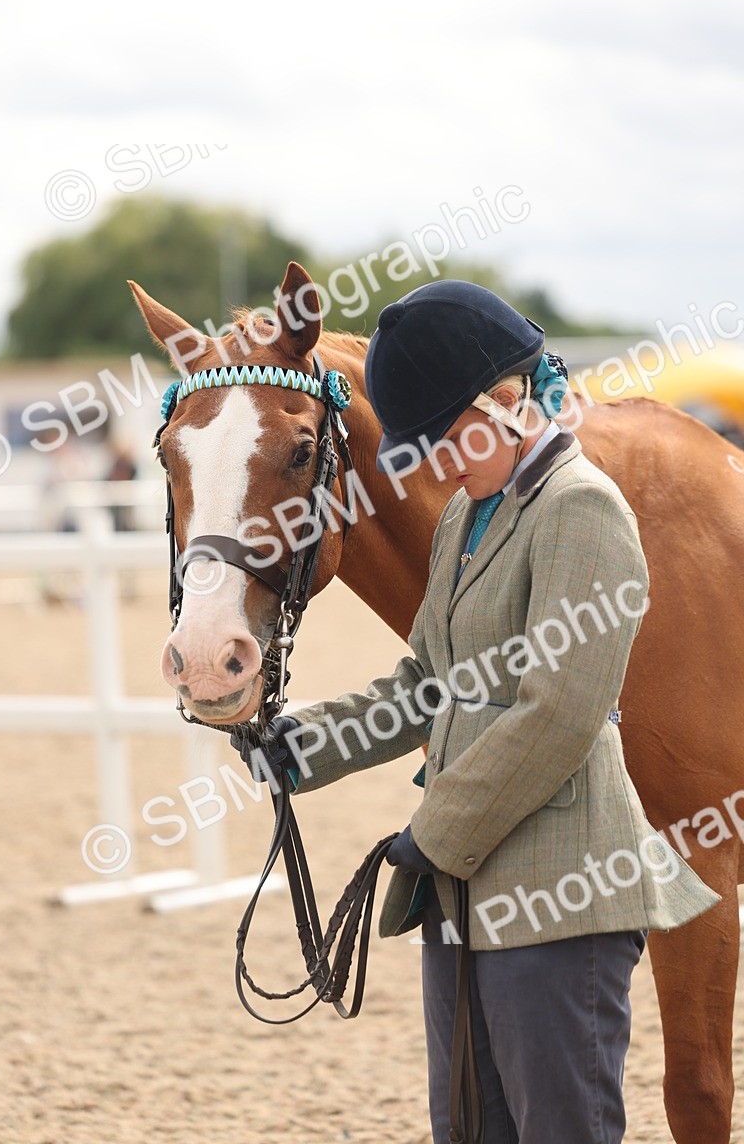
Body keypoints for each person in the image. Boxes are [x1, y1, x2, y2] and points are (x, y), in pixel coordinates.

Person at [243, 281, 720, 1144]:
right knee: (466, 1127)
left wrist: (437, 834)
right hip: (464, 890)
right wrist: (308, 746)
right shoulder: (468, 512)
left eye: (445, 442)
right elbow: (431, 679)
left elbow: (560, 712)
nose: (434, 470)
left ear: (505, 405)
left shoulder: (584, 510)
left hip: (562, 894)